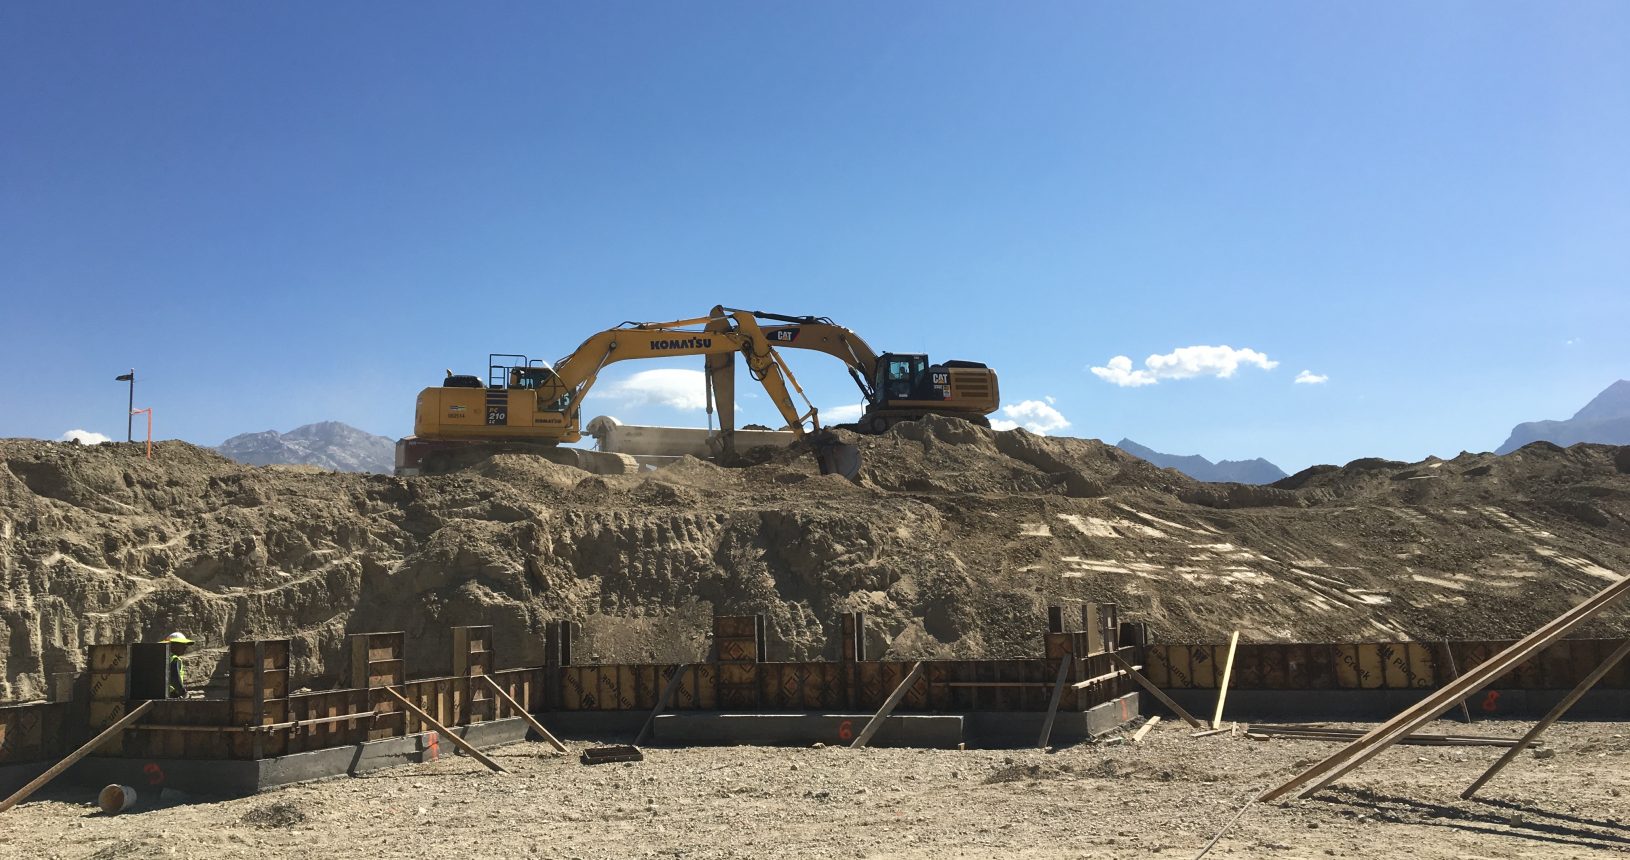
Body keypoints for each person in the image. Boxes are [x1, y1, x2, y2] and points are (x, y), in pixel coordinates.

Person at [163, 631, 194, 697]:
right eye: (182, 645)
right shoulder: (174, 659)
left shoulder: (161, 657)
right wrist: (183, 693)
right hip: (171, 695)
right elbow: (174, 678)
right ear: (173, 645)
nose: (185, 647)